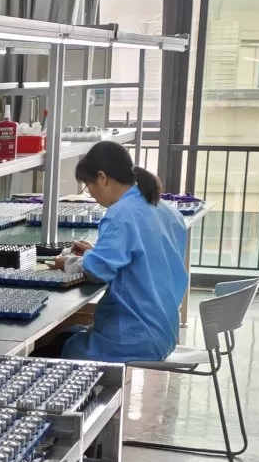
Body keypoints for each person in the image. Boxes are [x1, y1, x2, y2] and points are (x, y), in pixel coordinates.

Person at [49, 141, 191, 362]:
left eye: (88, 185)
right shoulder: (168, 211)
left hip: (132, 338)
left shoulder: (121, 213)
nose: (91, 194)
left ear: (102, 177)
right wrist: (94, 252)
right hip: (164, 332)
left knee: (50, 352)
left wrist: (67, 262)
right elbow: (142, 258)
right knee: (69, 334)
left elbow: (98, 272)